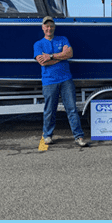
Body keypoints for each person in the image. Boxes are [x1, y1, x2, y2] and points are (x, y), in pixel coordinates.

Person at [33, 16, 87, 147]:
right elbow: (42, 62)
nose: (49, 28)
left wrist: (51, 56)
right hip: (49, 81)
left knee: (72, 108)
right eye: (46, 26)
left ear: (54, 27)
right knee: (50, 110)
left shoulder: (62, 39)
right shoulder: (38, 44)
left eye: (51, 26)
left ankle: (78, 136)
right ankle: (47, 136)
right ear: (43, 27)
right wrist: (60, 57)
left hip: (66, 79)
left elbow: (70, 54)